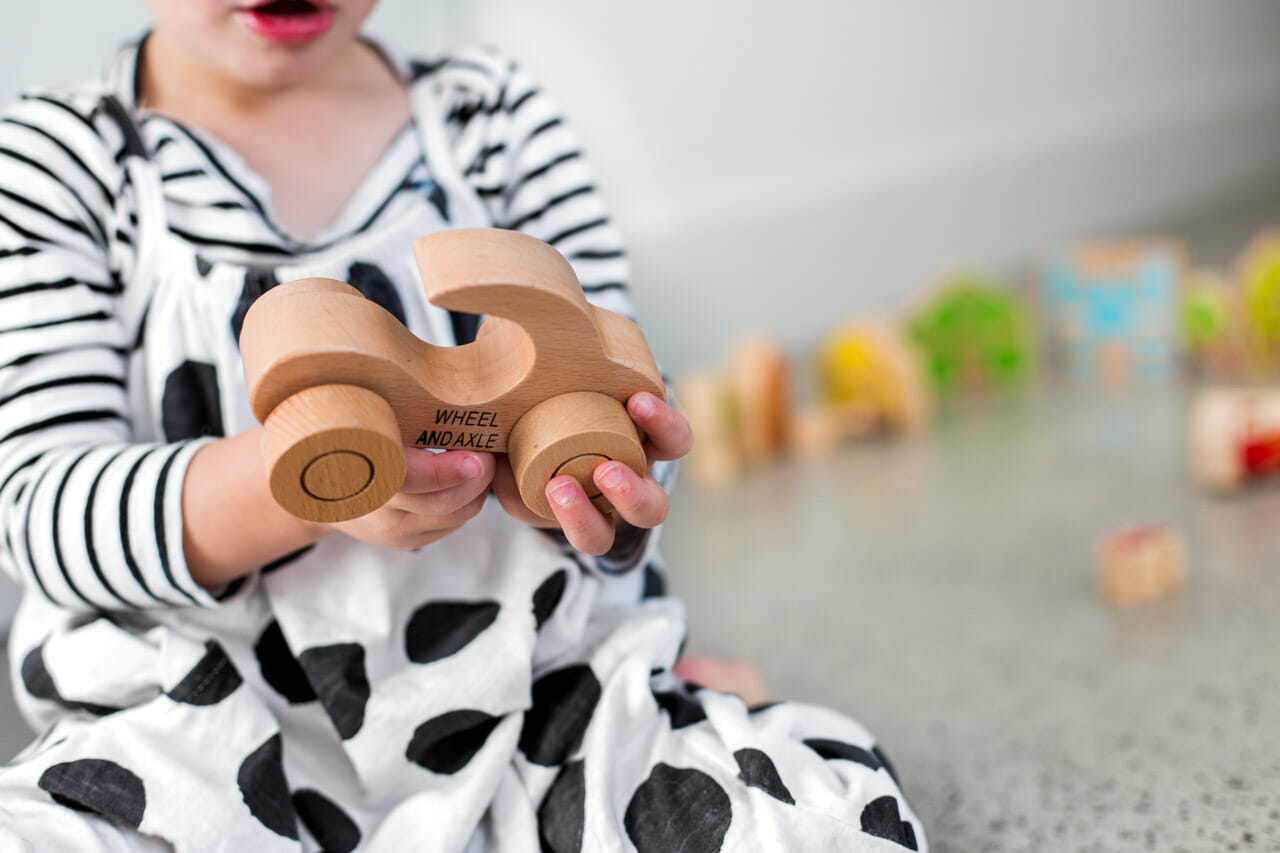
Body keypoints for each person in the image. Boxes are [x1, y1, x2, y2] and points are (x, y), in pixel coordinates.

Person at [0, 1, 927, 850]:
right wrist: (309, 485)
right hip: (196, 718)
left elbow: (606, 381)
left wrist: (591, 482)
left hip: (532, 697)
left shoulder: (494, 121)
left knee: (825, 823)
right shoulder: (54, 165)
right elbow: (40, 511)